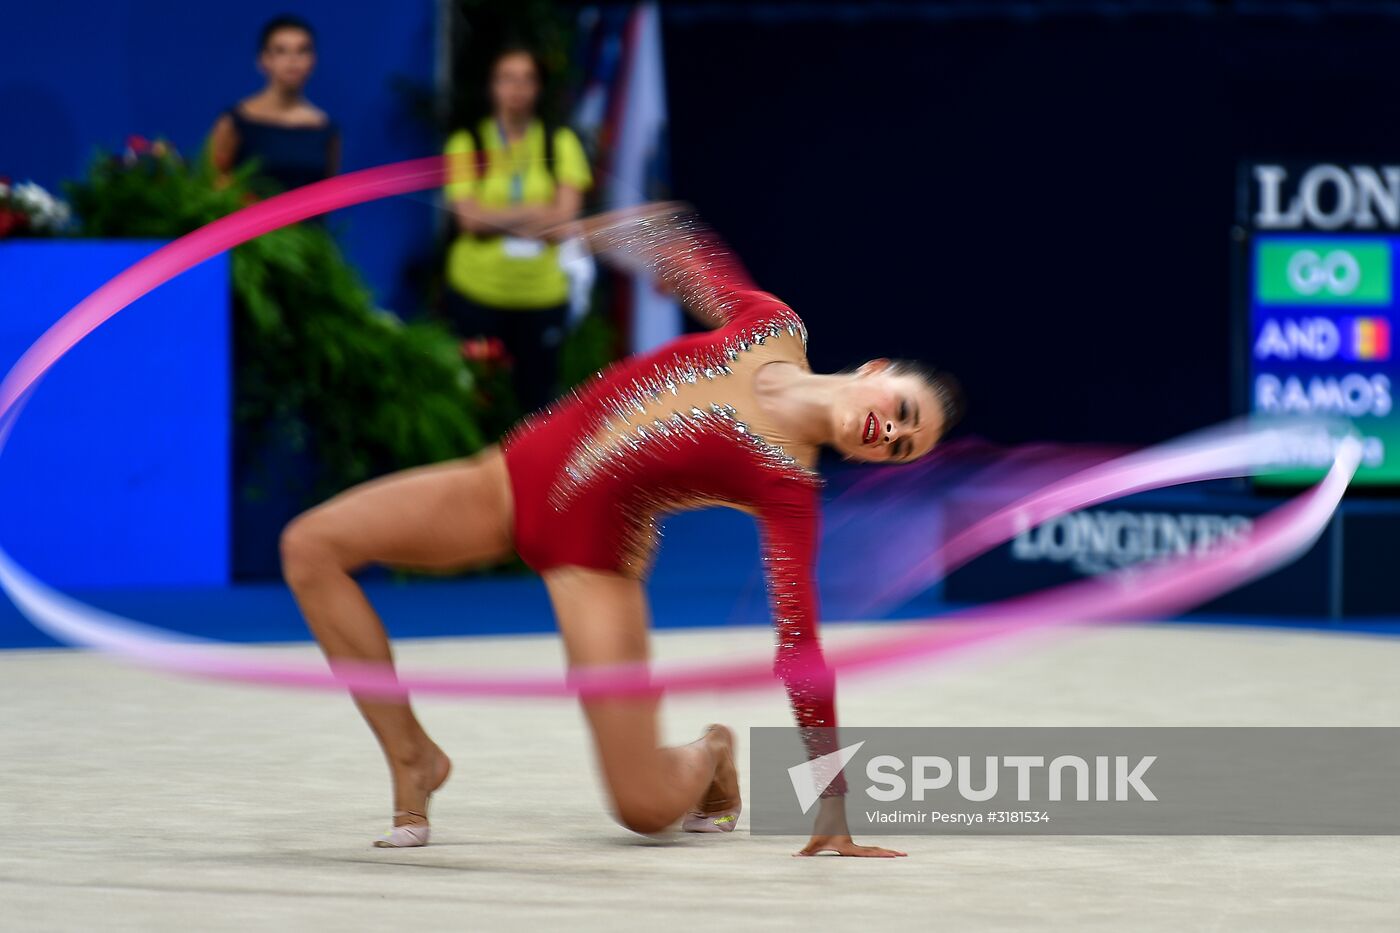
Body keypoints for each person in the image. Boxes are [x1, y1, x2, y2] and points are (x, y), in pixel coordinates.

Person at [279, 204, 964, 857]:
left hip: (594, 561)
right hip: (506, 479)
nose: (892, 432)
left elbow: (799, 645)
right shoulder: (770, 324)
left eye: (901, 445)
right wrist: (595, 229)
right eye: (903, 411)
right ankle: (412, 755)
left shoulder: (788, 483)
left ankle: (712, 752)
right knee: (310, 547)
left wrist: (833, 804)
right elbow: (679, 244)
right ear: (876, 370)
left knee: (641, 808)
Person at [442, 46, 593, 414]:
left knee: (538, 408)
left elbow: (564, 221)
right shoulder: (468, 144)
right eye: (507, 78)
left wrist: (497, 215)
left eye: (527, 79)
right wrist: (537, 210)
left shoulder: (560, 143)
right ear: (492, 86)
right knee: (473, 402)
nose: (517, 88)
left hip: (540, 296)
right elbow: (469, 221)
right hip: (477, 292)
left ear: (539, 87)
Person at [209, 16, 340, 194]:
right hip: (252, 221)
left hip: (309, 223)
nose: (293, 60)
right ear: (263, 59)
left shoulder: (325, 129)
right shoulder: (235, 122)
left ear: (313, 60)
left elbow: (327, 195)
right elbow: (210, 185)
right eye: (281, 51)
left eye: (302, 51)